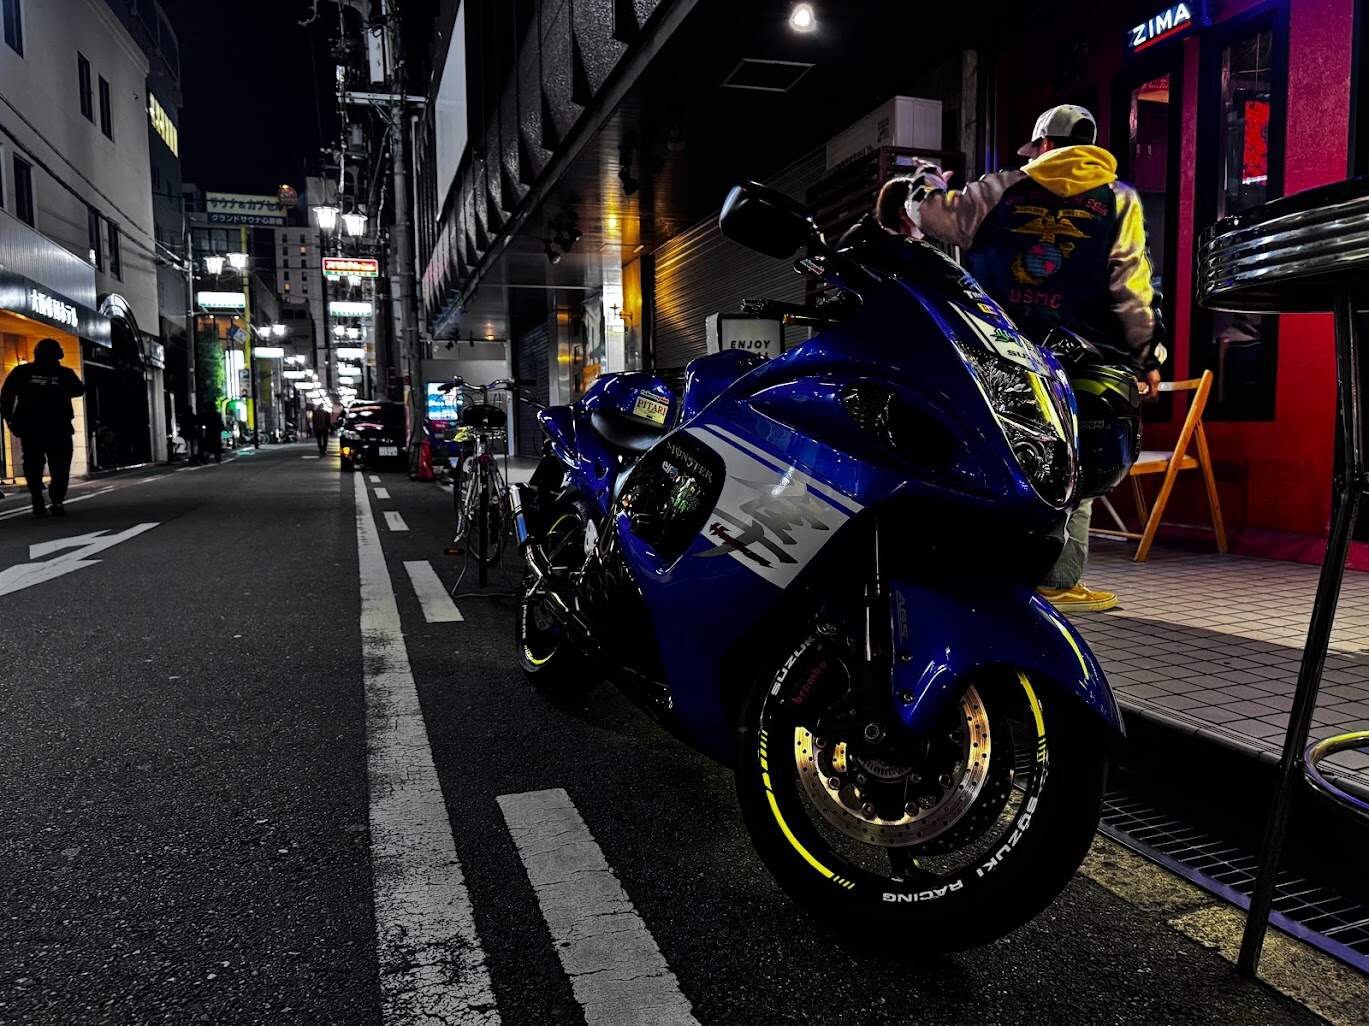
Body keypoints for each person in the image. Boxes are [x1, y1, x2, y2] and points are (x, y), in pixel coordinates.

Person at [892, 105, 1166, 614]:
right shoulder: (1119, 199)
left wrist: (926, 181)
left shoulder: (1000, 189)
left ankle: (986, 575)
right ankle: (1057, 582)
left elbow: (928, 215)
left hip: (998, 351)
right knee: (1073, 462)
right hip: (1079, 357)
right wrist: (1147, 355)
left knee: (989, 456)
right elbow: (1132, 287)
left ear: (1043, 145)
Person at [0, 337, 86, 517]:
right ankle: (55, 500)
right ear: (58, 355)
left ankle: (39, 499)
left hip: (34, 427)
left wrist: (10, 420)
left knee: (34, 465)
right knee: (59, 466)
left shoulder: (23, 371)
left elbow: (6, 397)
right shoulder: (63, 374)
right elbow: (79, 389)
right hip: (56, 427)